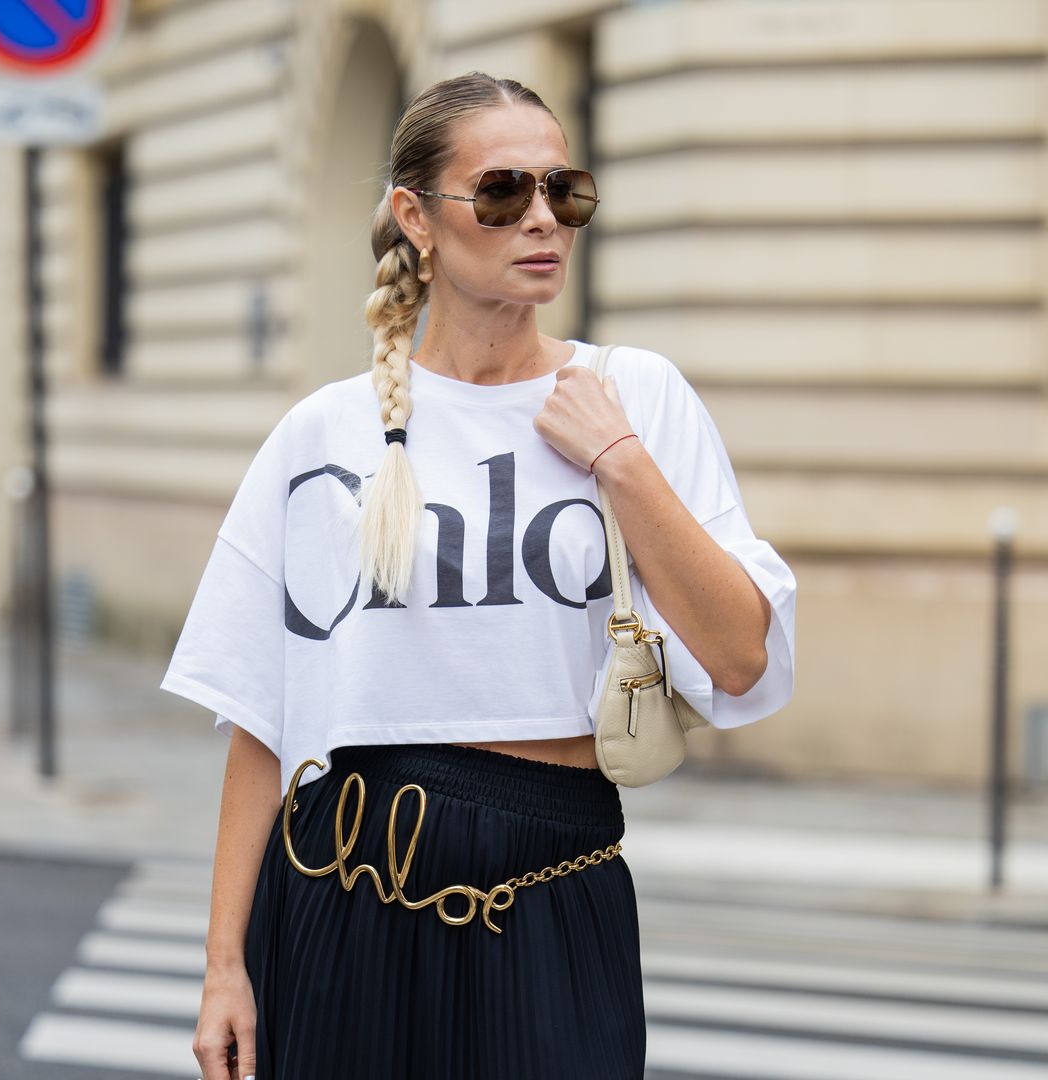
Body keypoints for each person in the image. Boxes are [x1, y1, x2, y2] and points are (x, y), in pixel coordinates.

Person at [161, 70, 796, 1080]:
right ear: (416, 216)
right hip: (342, 880)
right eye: (503, 193)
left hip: (556, 885)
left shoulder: (637, 394)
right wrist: (223, 966)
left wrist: (619, 462)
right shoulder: (324, 432)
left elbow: (739, 653)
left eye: (565, 191)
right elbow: (261, 716)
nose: (542, 219)